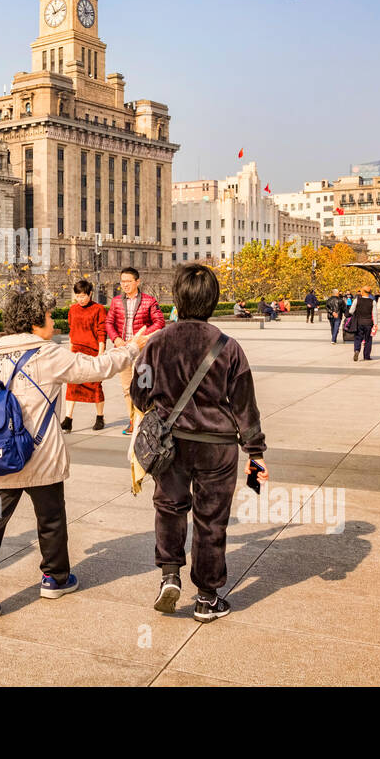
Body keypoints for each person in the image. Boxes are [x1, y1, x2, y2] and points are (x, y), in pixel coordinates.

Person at [0, 286, 145, 619]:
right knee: (51, 519)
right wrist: (133, 348)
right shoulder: (48, 354)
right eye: (48, 317)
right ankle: (55, 578)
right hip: (40, 458)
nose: (53, 324)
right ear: (34, 322)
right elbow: (98, 368)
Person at [131, 264, 268, 622]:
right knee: (211, 520)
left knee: (170, 508)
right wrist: (255, 453)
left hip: (171, 444)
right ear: (213, 300)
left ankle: (170, 575)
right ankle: (207, 598)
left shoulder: (157, 343)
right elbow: (244, 405)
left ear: (177, 298)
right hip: (217, 446)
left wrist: (160, 404)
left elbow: (139, 392)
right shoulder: (228, 346)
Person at [106, 267, 166, 435]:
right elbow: (109, 322)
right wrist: (116, 339)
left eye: (128, 281)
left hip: (143, 353)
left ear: (137, 282)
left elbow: (159, 322)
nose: (124, 285)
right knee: (127, 388)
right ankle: (132, 421)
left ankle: (146, 421)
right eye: (122, 281)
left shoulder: (149, 301)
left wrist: (140, 338)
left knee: (144, 386)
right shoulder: (116, 301)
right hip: (124, 350)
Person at [62, 279, 108, 432]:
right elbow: (71, 330)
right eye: (78, 296)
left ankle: (100, 417)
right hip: (76, 351)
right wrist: (70, 351)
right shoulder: (73, 309)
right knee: (72, 384)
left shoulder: (98, 309)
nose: (80, 299)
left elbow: (102, 332)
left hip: (93, 352)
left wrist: (100, 354)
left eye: (83, 296)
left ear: (90, 294)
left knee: (95, 386)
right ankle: (68, 418)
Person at [349, 284, 379, 361]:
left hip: (359, 323)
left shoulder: (357, 300)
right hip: (369, 323)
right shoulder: (373, 302)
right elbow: (375, 314)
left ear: (362, 292)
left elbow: (351, 311)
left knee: (358, 338)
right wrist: (375, 324)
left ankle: (357, 350)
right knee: (368, 340)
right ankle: (366, 356)